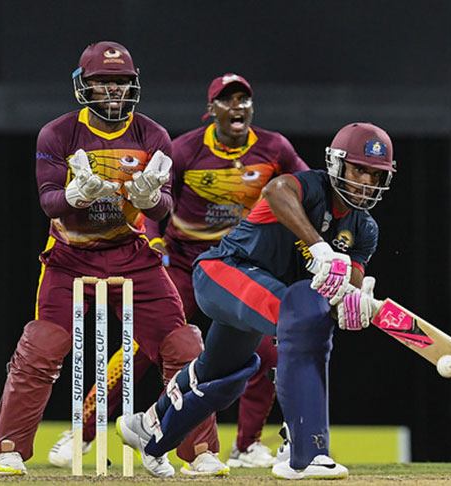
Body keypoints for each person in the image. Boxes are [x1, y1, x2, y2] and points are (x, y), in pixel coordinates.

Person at [0, 40, 221, 477]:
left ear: (133, 86)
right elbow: (48, 201)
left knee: (184, 345)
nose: (112, 92)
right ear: (84, 87)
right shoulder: (58, 133)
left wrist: (150, 197)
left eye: (120, 83)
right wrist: (76, 195)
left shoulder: (153, 135)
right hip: (70, 257)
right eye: (102, 83)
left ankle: (201, 449)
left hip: (132, 254)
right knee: (42, 346)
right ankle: (9, 446)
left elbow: (164, 210)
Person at [115, 121, 397, 479]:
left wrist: (351, 302)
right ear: (337, 163)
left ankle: (150, 430)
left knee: (226, 374)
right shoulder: (310, 186)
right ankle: (304, 450)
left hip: (261, 296)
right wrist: (319, 247)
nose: (366, 182)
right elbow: (277, 191)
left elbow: (345, 285)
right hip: (224, 271)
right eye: (360, 169)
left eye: (376, 175)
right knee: (303, 316)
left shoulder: (365, 229)